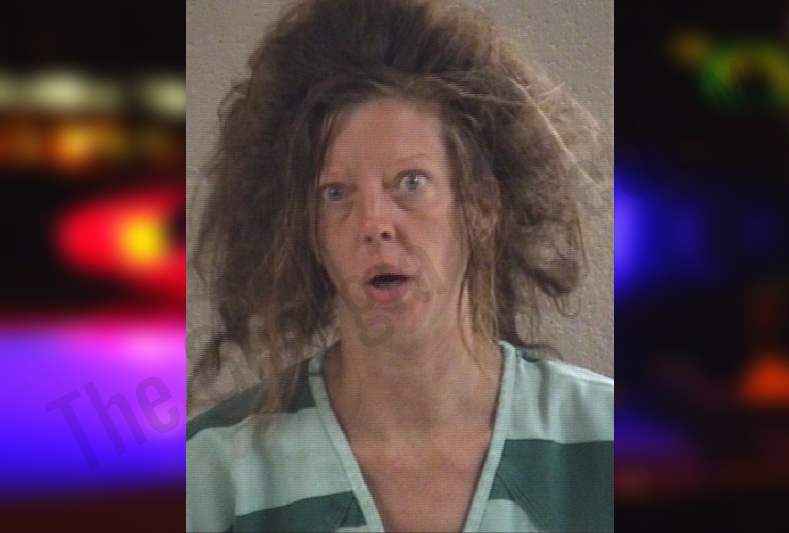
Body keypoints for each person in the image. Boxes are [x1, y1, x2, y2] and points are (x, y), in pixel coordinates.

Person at [186, 0, 613, 531]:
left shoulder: (608, 439)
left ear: (482, 205)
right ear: (305, 229)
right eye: (335, 192)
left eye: (411, 182)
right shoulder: (211, 473)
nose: (373, 223)